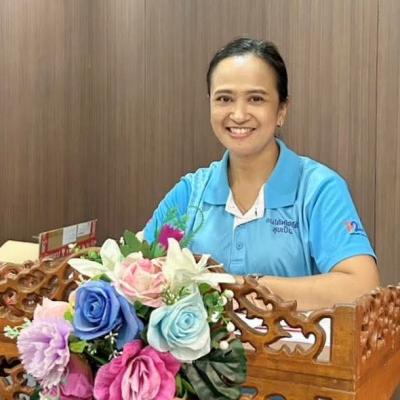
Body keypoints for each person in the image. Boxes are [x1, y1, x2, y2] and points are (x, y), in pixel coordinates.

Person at [144, 37, 379, 310]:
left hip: (293, 339)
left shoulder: (318, 190)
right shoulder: (190, 195)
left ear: (281, 110)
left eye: (256, 99)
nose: (238, 114)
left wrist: (244, 287)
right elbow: (137, 269)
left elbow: (362, 286)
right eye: (224, 99)